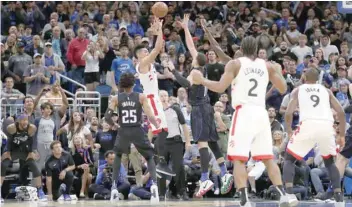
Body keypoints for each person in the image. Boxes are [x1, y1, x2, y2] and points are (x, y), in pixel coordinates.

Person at [191, 36, 293, 207]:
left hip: (244, 112)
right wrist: (277, 70)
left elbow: (220, 87)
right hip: (261, 113)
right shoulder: (267, 65)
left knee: (239, 159)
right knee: (268, 158)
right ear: (257, 49)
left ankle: (244, 199)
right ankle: (284, 195)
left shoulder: (235, 64)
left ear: (241, 49)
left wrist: (201, 80)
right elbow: (283, 88)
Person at [169, 14, 233, 197]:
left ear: (196, 60)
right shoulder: (201, 66)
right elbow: (190, 45)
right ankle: (225, 173)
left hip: (199, 108)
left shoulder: (196, 73)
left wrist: (172, 70)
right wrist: (185, 28)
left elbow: (185, 84)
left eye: (194, 56)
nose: (191, 54)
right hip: (206, 108)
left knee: (203, 142)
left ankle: (205, 177)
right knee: (212, 142)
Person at [284, 68, 345, 205]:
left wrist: (289, 130)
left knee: (289, 159)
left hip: (308, 124)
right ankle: (339, 197)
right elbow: (340, 111)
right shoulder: (327, 91)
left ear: (304, 77)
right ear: (318, 79)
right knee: (330, 162)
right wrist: (340, 134)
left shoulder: (298, 90)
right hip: (326, 125)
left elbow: (288, 112)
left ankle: (289, 195)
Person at [104, 72, 160, 202]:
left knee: (117, 156)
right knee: (149, 157)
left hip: (123, 130)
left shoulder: (116, 98)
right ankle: (155, 186)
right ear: (134, 84)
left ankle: (113, 187)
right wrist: (156, 123)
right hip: (137, 130)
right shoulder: (141, 97)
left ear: (121, 85)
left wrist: (114, 125)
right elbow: (150, 115)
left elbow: (107, 117)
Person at [134, 18, 174, 176]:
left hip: (154, 97)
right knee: (163, 129)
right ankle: (160, 161)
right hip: (151, 98)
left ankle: (147, 154)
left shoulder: (149, 64)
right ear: (138, 55)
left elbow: (158, 48)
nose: (146, 51)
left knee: (155, 128)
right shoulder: (142, 64)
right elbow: (157, 48)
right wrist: (160, 29)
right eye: (144, 51)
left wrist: (158, 32)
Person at [0, 114, 46, 202]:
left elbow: (32, 140)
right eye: (23, 120)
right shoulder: (12, 127)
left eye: (26, 120)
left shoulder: (31, 128)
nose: (25, 122)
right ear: (18, 121)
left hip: (25, 151)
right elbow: (9, 140)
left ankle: (40, 190)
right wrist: (8, 151)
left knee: (35, 167)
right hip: (13, 150)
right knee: (3, 165)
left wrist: (31, 151)